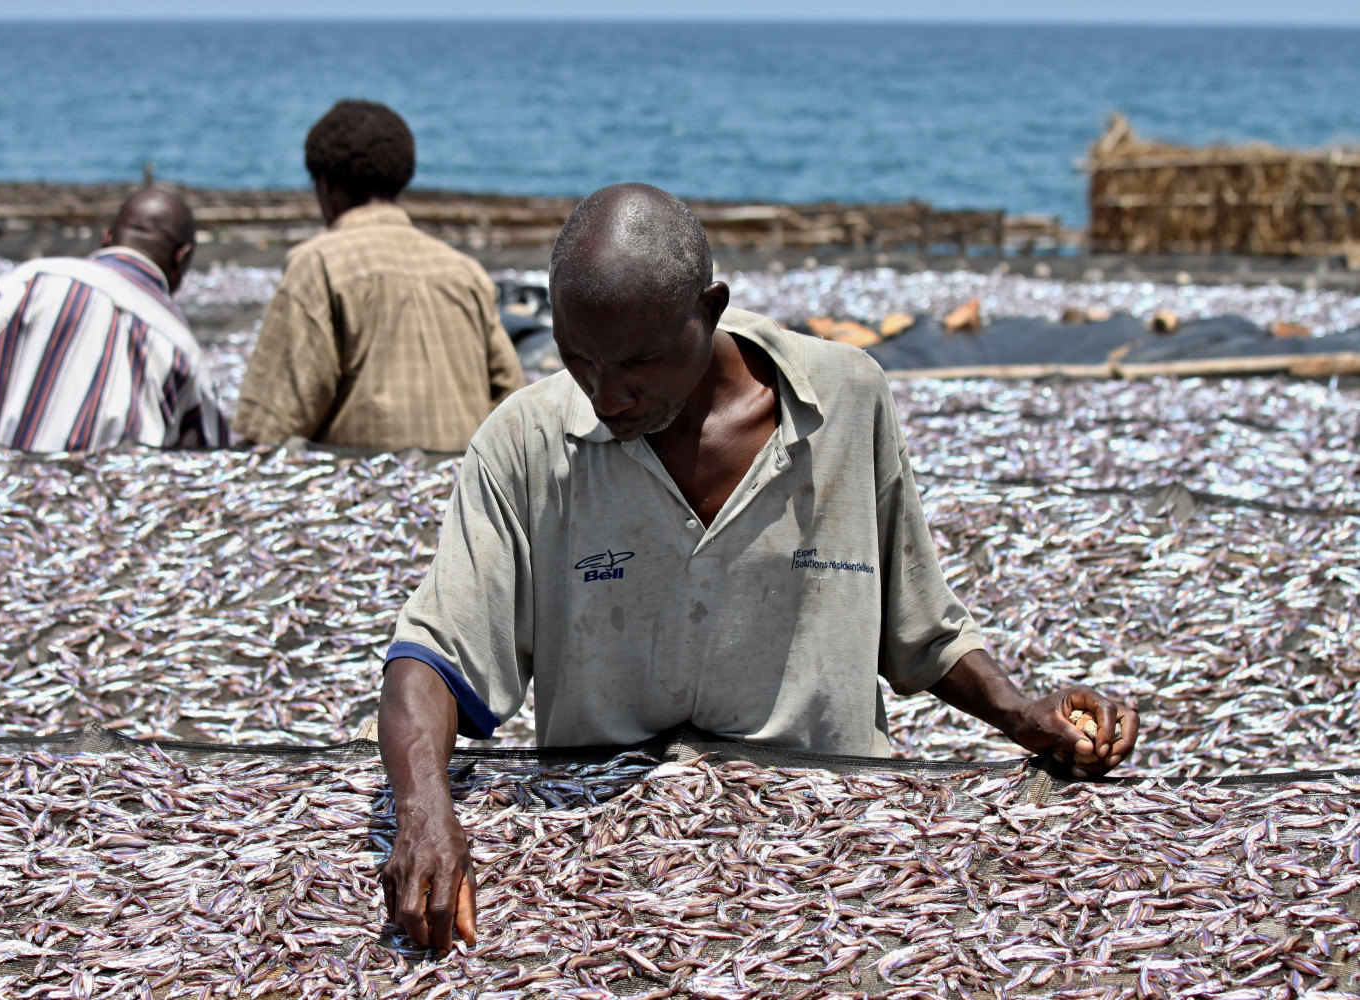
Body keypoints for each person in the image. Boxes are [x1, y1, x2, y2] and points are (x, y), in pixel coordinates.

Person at [376, 183, 1141, 950]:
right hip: (612, 871)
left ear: (709, 312)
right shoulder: (526, 443)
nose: (608, 394)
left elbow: (918, 627)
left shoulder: (844, 400)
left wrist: (1017, 713)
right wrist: (424, 811)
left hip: (835, 855)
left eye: (639, 362)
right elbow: (432, 657)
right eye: (579, 359)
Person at [234, 100, 525, 452]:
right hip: (462, 494)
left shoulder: (318, 266)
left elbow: (271, 426)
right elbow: (513, 405)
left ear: (325, 186)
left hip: (365, 494)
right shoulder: (465, 272)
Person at [0, 189, 227, 452]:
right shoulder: (180, 346)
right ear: (181, 258)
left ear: (107, 238)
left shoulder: (24, 282)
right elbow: (207, 461)